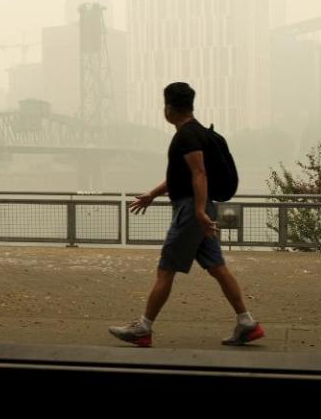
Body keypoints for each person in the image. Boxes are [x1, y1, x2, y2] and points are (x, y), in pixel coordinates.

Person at [108, 82, 264, 347]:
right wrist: (152, 194)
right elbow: (182, 177)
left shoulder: (185, 136)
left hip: (192, 211)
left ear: (169, 108)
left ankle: (143, 329)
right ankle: (247, 323)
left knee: (166, 269)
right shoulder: (201, 133)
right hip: (201, 208)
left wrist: (200, 212)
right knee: (217, 267)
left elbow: (199, 174)